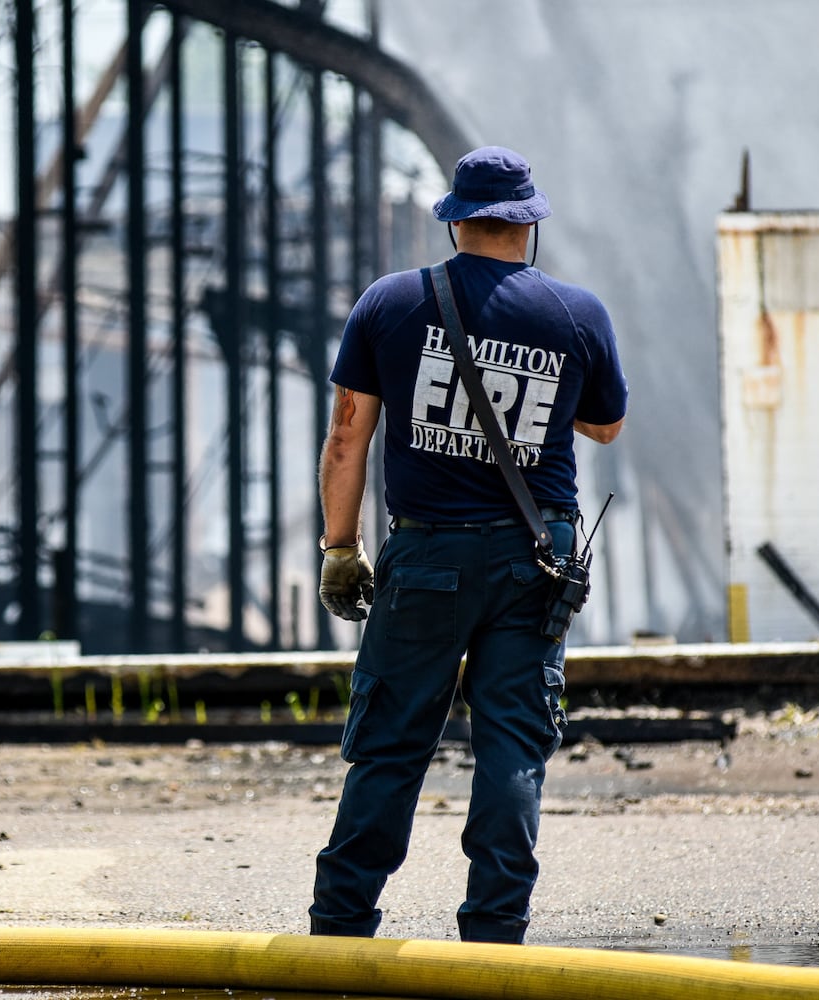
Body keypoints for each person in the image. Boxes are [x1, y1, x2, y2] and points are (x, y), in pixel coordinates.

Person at [309, 145, 628, 944]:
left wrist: (339, 549)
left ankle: (341, 928)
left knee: (387, 745)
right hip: (535, 560)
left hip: (426, 557)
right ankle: (494, 934)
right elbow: (605, 425)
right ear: (528, 226)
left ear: (454, 221)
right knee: (512, 745)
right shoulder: (575, 314)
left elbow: (348, 436)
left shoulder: (390, 303)